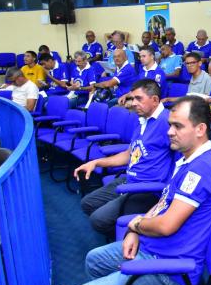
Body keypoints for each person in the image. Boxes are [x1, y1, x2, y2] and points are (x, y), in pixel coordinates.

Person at [75, 95, 211, 285]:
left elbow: (166, 226)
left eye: (177, 126)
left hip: (171, 272)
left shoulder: (201, 170)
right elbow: (163, 203)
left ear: (200, 129)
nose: (169, 132)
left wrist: (135, 223)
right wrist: (135, 231)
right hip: (154, 248)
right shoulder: (187, 159)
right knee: (94, 259)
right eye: (169, 125)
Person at [74, 79, 174, 237]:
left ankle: (129, 241)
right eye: (132, 98)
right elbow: (129, 154)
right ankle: (122, 232)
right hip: (129, 179)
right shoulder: (143, 120)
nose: (133, 103)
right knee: (87, 204)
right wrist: (96, 162)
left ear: (155, 100)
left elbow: (183, 161)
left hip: (146, 189)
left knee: (98, 220)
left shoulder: (168, 123)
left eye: (138, 98)